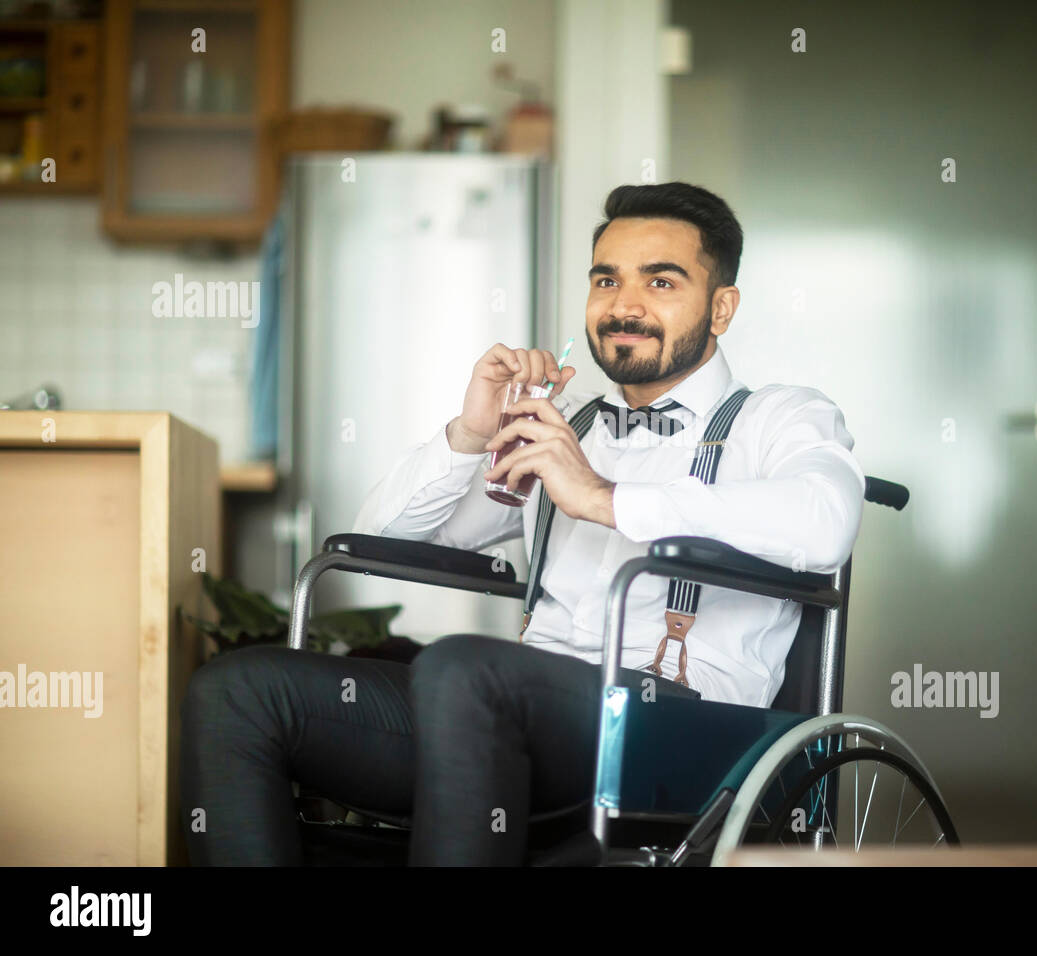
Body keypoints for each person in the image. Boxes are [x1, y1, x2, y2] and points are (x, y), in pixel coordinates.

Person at [181, 181, 864, 865]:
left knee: (463, 671)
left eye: (660, 281)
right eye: (606, 280)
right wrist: (470, 433)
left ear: (721, 308)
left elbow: (827, 520)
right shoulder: (569, 426)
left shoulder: (779, 417)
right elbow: (378, 545)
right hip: (497, 717)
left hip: (680, 726)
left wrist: (602, 495)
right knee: (238, 690)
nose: (624, 306)